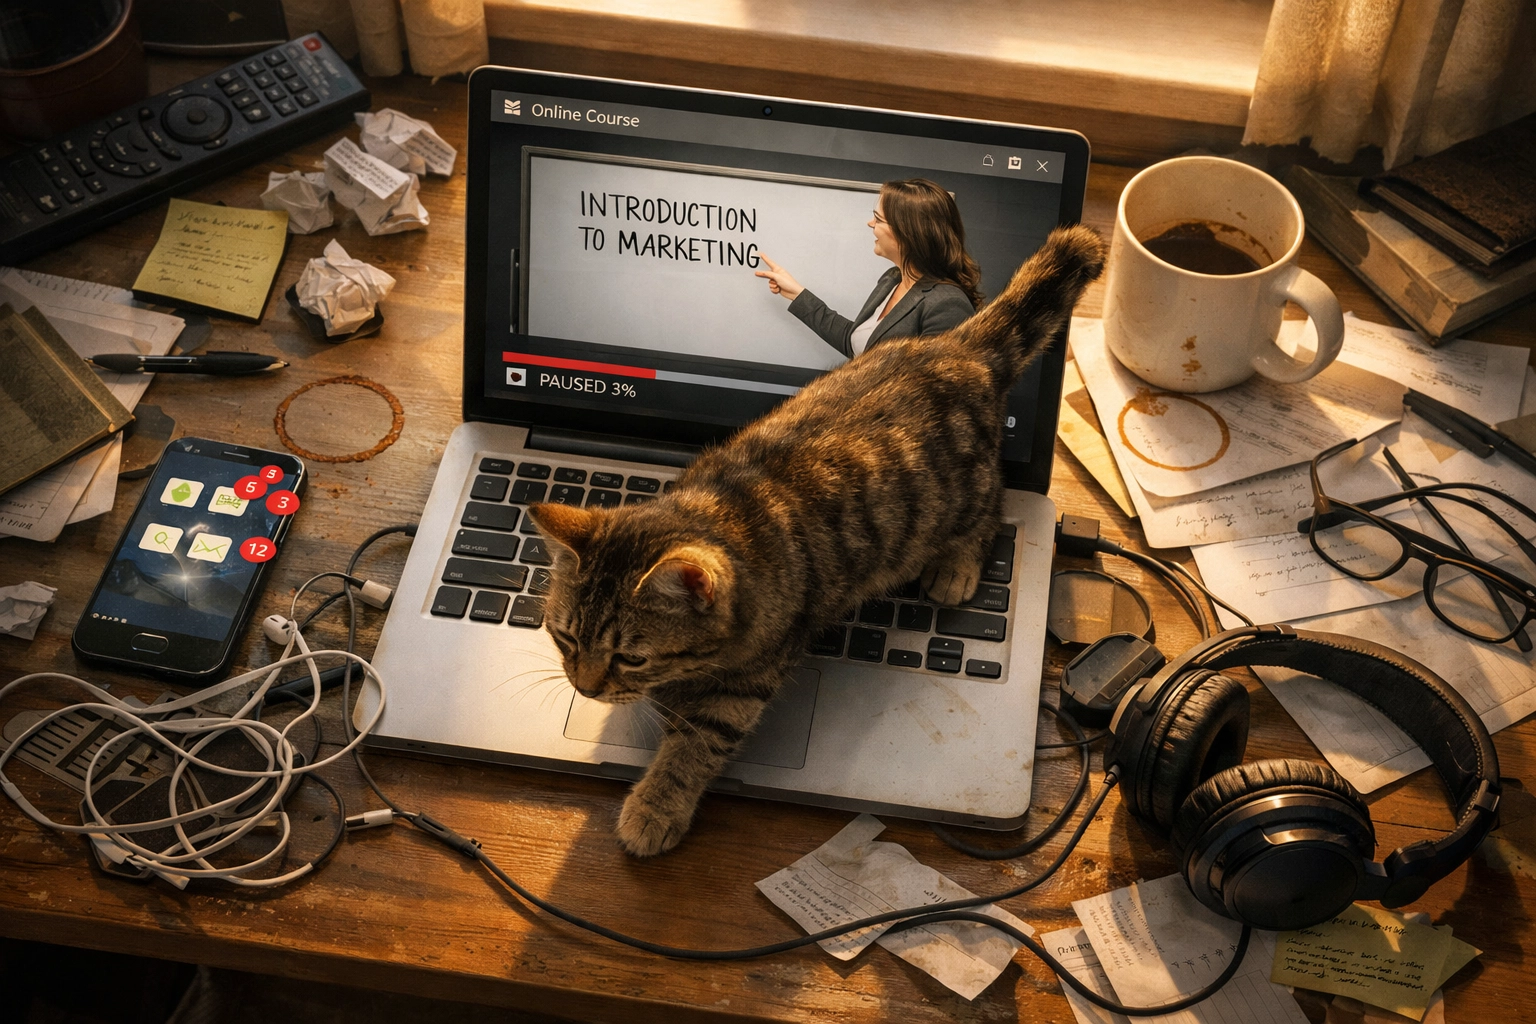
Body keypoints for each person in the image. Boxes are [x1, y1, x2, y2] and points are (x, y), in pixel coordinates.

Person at [754, 178, 982, 358]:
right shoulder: (892, 279)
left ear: (908, 233)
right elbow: (856, 343)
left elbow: (941, 400)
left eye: (878, 219)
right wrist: (796, 293)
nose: (870, 223)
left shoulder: (947, 305)